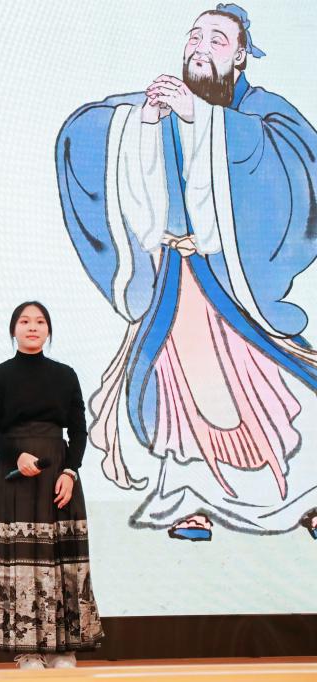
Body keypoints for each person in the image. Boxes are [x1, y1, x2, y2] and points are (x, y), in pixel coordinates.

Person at [57, 3, 317, 539]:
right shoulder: (157, 105)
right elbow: (85, 135)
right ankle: (189, 498)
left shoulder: (263, 113)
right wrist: (143, 124)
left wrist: (206, 121)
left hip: (237, 287)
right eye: (195, 36)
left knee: (273, 386)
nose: (200, 47)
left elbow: (296, 169)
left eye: (217, 40)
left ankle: (307, 495)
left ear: (241, 56)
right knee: (180, 395)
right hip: (179, 281)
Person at [0, 302, 104, 670]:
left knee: (60, 557)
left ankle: (63, 646)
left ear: (48, 330)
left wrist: (70, 471)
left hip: (57, 473)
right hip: (14, 473)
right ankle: (27, 648)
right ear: (13, 330)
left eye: (40, 321)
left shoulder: (65, 375)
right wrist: (16, 455)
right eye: (24, 321)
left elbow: (78, 430)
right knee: (19, 558)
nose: (32, 327)